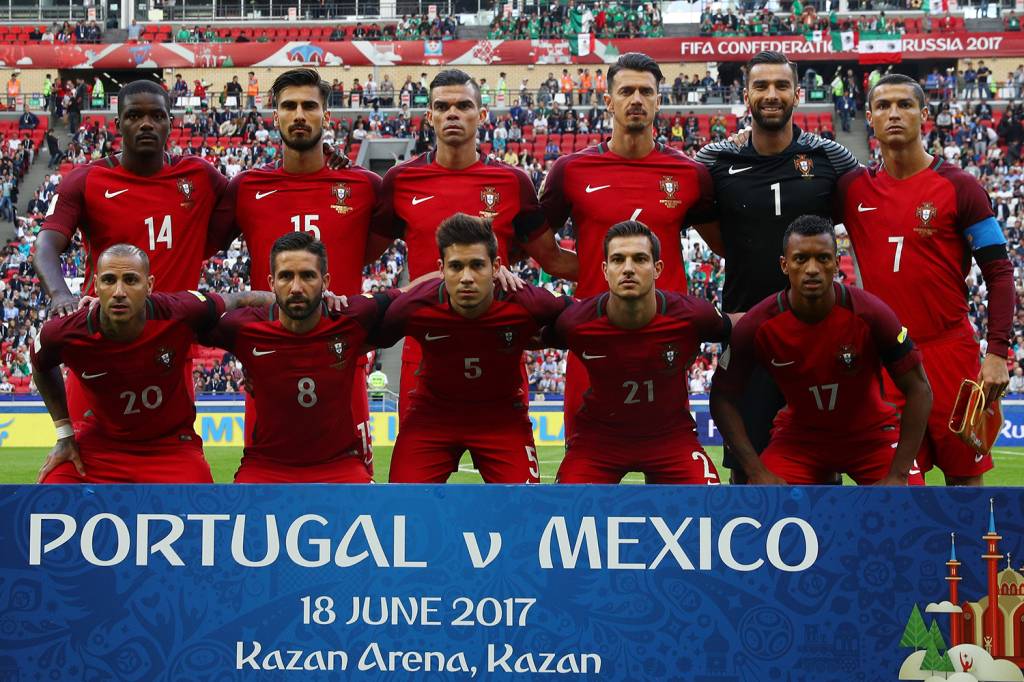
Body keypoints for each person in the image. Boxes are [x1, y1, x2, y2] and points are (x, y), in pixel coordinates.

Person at [836, 74, 1015, 486]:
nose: (894, 114)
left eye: (905, 104)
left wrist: (997, 352)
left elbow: (1000, 272)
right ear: (869, 119)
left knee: (964, 485)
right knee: (894, 489)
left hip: (950, 354)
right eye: (883, 107)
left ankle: (968, 554)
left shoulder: (960, 187)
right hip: (886, 361)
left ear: (926, 115)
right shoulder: (851, 189)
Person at [694, 50, 860, 483]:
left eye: (781, 85)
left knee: (822, 469)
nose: (772, 94)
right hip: (749, 334)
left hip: (817, 339)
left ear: (798, 94)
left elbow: (871, 215)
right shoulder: (713, 162)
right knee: (748, 470)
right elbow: (716, 238)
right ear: (744, 95)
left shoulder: (831, 158)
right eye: (761, 86)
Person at [375, 68, 578, 419]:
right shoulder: (400, 180)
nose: (452, 113)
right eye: (443, 106)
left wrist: (622, 268)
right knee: (414, 472)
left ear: (482, 115)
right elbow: (359, 254)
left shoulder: (513, 182)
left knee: (509, 471)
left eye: (463, 105)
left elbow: (554, 260)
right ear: (430, 116)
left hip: (498, 343)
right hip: (424, 345)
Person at [538, 52, 718, 439]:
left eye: (645, 91)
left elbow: (725, 246)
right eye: (626, 91)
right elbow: (542, 251)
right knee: (586, 472)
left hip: (665, 338)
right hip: (593, 333)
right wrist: (593, 270)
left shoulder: (691, 174)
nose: (636, 99)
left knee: (669, 467)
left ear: (659, 100)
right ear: (609, 101)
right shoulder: (570, 171)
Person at [209, 68, 387, 457]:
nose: (299, 115)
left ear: (327, 115)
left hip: (341, 353)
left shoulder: (365, 187)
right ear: (275, 116)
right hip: (269, 356)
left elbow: (374, 249)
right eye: (289, 106)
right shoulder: (245, 187)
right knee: (263, 480)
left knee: (353, 480)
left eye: (310, 105)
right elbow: (196, 246)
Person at [711, 216, 932, 486]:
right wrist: (755, 469)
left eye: (823, 259)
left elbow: (920, 387)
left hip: (872, 437)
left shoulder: (871, 313)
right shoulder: (758, 325)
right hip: (800, 441)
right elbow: (722, 396)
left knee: (910, 506)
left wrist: (898, 474)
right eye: (801, 259)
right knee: (765, 504)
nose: (812, 269)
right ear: (784, 265)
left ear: (837, 264)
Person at [29, 244, 272, 484]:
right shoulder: (65, 332)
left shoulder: (181, 310)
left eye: (131, 280)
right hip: (99, 446)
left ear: (149, 285)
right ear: (96, 284)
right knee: (52, 491)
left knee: (199, 503)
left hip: (170, 447)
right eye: (109, 280)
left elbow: (241, 300)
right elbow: (40, 364)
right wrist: (64, 434)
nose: (119, 291)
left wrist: (253, 355)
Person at [377, 214, 569, 483]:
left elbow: (582, 321)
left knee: (527, 510)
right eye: (456, 266)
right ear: (441, 269)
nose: (466, 277)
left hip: (502, 419)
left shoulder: (527, 302)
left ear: (497, 266)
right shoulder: (414, 307)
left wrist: (546, 339)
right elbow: (361, 328)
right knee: (405, 508)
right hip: (432, 418)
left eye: (477, 265)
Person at [546, 221, 730, 484]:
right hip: (599, 440)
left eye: (640, 259)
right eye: (618, 259)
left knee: (712, 507)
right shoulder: (575, 322)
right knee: (565, 511)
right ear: (605, 270)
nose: (628, 269)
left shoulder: (693, 315)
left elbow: (743, 329)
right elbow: (521, 332)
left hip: (670, 438)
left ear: (657, 269)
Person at [202, 233, 393, 482]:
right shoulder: (243, 328)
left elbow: (414, 298)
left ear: (325, 281)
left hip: (340, 466)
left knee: (376, 513)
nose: (296, 287)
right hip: (266, 467)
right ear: (271, 282)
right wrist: (243, 297)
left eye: (307, 275)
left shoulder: (350, 319)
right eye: (285, 276)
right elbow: (179, 320)